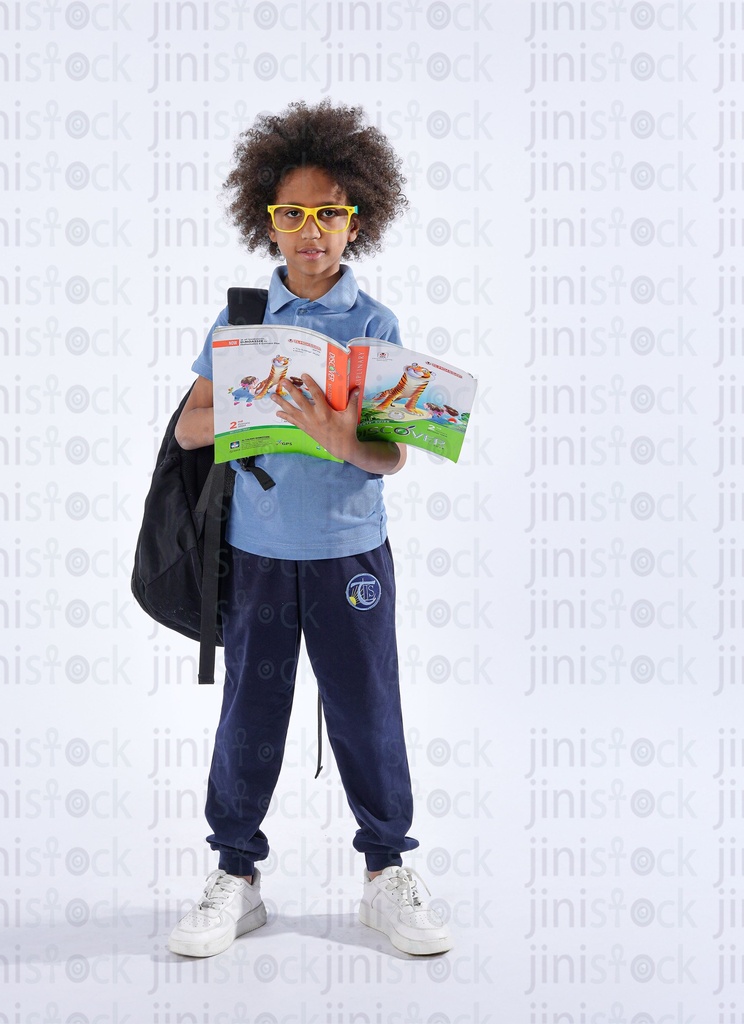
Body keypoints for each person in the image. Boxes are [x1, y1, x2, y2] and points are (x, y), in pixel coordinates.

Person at [169, 99, 452, 959]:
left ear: (357, 221)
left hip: (349, 554)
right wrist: (253, 409)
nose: (310, 231)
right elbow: (188, 430)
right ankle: (236, 874)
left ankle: (386, 871)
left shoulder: (375, 326)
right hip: (257, 554)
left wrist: (340, 438)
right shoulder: (241, 317)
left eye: (329, 213)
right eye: (291, 214)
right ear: (267, 220)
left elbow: (392, 457)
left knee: (368, 709)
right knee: (249, 712)